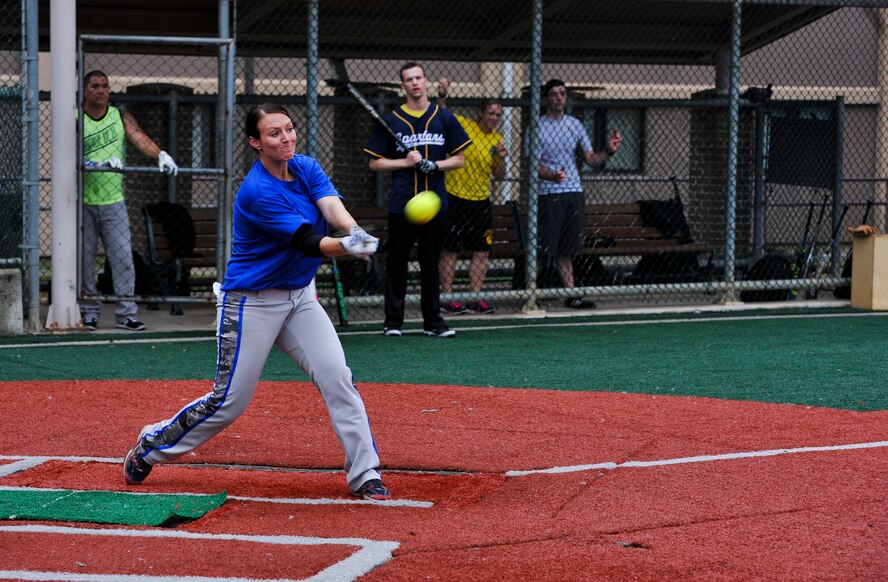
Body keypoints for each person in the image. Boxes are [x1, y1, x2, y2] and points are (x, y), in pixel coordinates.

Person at [122, 103, 391, 501]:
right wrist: (350, 247)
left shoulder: (305, 167)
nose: (286, 139)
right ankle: (153, 444)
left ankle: (365, 473)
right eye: (274, 134)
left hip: (299, 297)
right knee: (230, 401)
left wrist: (355, 231)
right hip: (251, 304)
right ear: (256, 142)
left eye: (288, 129)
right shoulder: (257, 191)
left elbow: (331, 207)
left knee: (337, 376)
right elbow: (308, 242)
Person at [364, 62, 472, 337]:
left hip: (434, 204)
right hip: (402, 204)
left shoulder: (443, 117)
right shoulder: (392, 120)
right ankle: (393, 323)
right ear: (402, 86)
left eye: (418, 78)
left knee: (431, 263)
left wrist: (435, 165)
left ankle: (433, 323)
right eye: (408, 79)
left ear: (426, 81)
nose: (414, 83)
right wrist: (404, 161)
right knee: (397, 261)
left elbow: (459, 159)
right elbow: (375, 164)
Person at [80, 70, 180, 331]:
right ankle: (89, 311)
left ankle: (126, 314)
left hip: (113, 201)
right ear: (85, 90)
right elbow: (71, 154)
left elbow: (139, 137)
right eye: (95, 86)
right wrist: (97, 164)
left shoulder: (118, 115)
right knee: (84, 259)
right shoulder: (76, 117)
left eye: (105, 86)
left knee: (123, 258)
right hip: (82, 202)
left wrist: (160, 155)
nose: (101, 90)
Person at [524, 78, 622, 309]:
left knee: (568, 248)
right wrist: (551, 176)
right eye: (554, 94)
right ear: (547, 98)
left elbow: (591, 158)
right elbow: (532, 165)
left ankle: (571, 294)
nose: (559, 98)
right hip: (548, 193)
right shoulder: (537, 127)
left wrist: (609, 151)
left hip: (573, 192)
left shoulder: (575, 125)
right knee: (542, 247)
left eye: (562, 94)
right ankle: (530, 293)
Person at [435, 77, 507, 316]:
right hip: (455, 196)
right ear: (481, 113)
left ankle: (475, 298)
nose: (494, 118)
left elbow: (499, 175)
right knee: (451, 249)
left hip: (481, 200)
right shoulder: (465, 125)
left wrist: (501, 157)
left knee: (481, 250)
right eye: (491, 113)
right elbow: (443, 116)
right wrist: (442, 95)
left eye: (498, 114)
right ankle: (447, 296)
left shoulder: (497, 140)